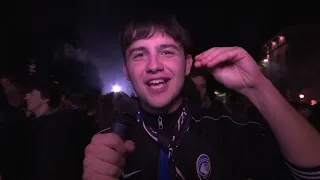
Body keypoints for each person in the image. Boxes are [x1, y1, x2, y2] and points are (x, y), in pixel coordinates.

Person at [83, 14, 320, 180]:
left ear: (187, 65)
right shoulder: (108, 144)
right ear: (127, 70)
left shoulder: (226, 130)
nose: (153, 65)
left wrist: (258, 86)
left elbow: (313, 173)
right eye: (139, 54)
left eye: (166, 52)